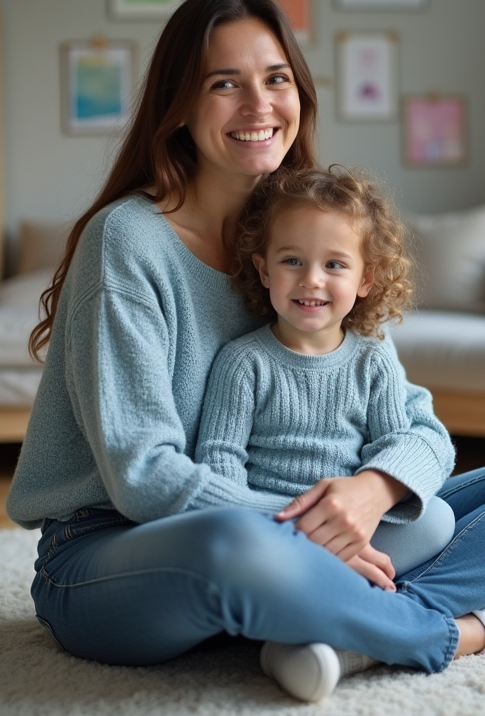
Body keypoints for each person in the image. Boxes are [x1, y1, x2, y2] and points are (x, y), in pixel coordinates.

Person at [5, 0, 485, 704]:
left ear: (300, 94)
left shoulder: (306, 232)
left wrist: (369, 492)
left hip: (288, 530)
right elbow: (145, 477)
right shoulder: (127, 241)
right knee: (240, 547)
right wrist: (307, 531)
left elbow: (417, 428)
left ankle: (327, 627)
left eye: (276, 78)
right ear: (181, 107)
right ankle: (450, 631)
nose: (259, 106)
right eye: (225, 84)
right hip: (114, 553)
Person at [194, 165, 457, 579]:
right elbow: (219, 462)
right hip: (272, 529)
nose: (311, 280)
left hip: (353, 526)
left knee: (436, 520)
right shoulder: (243, 362)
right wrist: (281, 532)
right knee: (228, 547)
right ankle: (329, 594)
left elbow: (392, 445)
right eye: (292, 260)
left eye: (334, 265)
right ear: (264, 271)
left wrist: (355, 525)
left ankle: (324, 594)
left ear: (365, 279)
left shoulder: (373, 360)